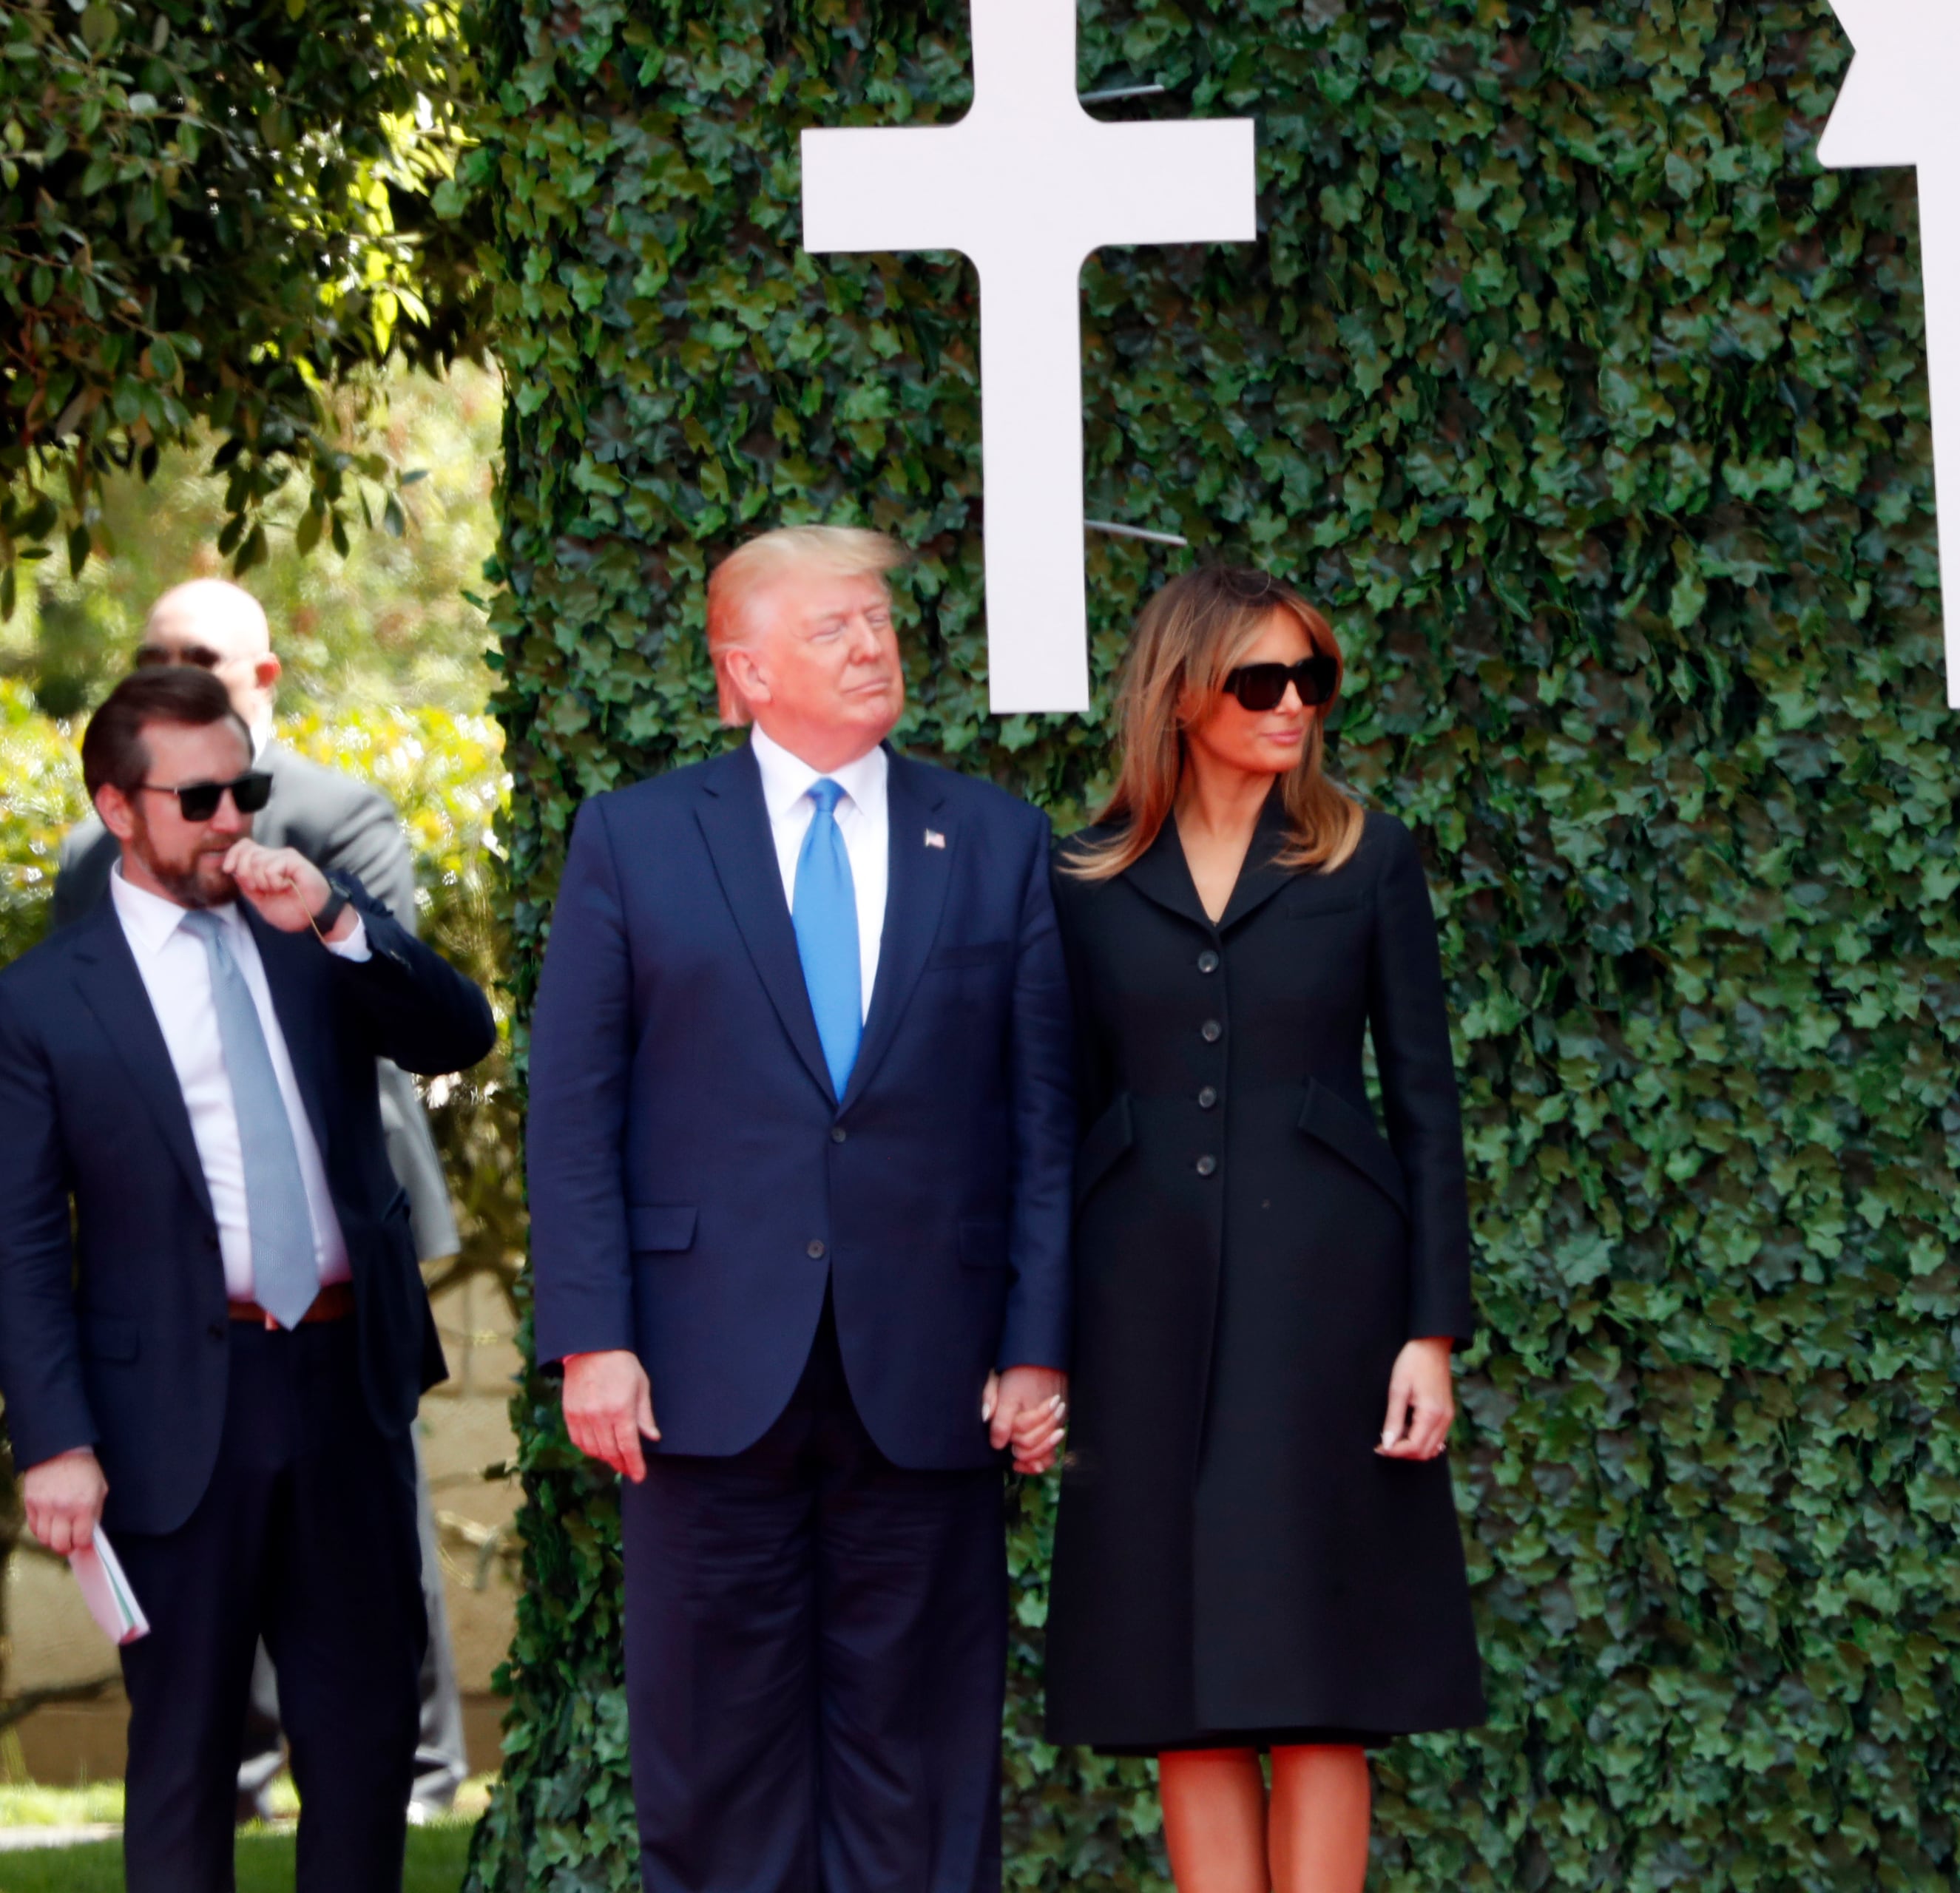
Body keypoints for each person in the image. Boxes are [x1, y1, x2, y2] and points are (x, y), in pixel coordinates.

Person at [527, 524, 1075, 1893]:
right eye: (832, 626)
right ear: (745, 670)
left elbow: (1045, 1119)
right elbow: (575, 1111)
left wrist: (1037, 1343)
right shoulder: (637, 838)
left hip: (934, 1375)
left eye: (881, 619)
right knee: (715, 1770)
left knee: (926, 1765)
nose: (873, 643)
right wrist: (592, 1337)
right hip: (701, 1377)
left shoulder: (996, 838)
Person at [0, 668, 496, 1892]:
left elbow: (459, 1033)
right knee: (185, 1756)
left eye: (249, 788)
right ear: (119, 809)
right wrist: (53, 1439)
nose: (234, 819)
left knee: (368, 1744)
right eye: (203, 796)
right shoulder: (44, 1003)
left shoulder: (308, 930)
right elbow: (18, 1240)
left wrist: (337, 922)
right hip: (169, 1410)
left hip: (344, 1386)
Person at [1041, 566, 1486, 1893]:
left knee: (1320, 1674)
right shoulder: (1083, 878)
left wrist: (1432, 1331)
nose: (1294, 705)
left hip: (1331, 1312)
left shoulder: (1368, 856)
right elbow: (1055, 1113)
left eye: (1313, 679)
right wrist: (1040, 1341)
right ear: (1181, 696)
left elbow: (1427, 1102)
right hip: (1141, 1309)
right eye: (1261, 682)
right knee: (1176, 1675)